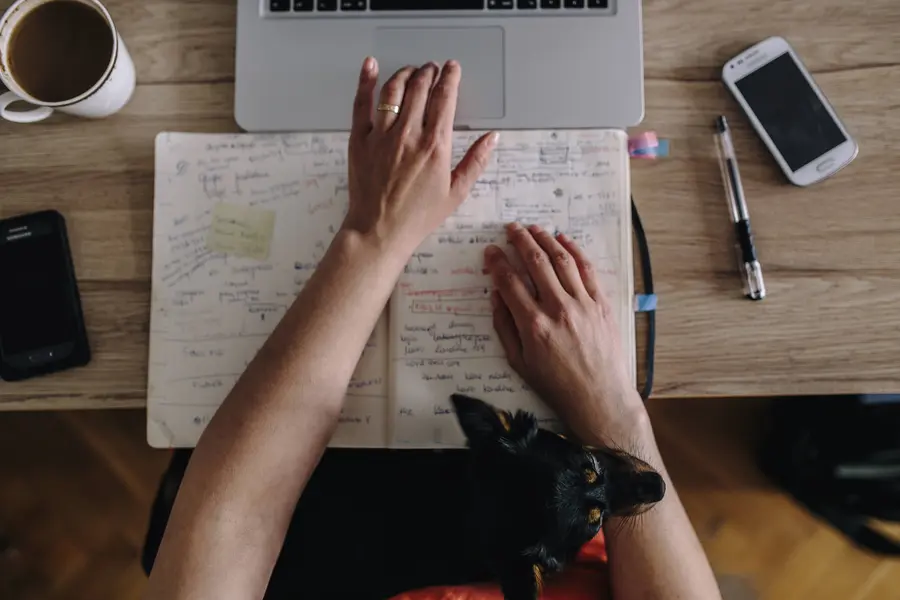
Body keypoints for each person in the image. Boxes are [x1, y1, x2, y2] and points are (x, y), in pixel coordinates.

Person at [143, 58, 722, 600]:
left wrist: (372, 236)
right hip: (541, 519)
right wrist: (611, 409)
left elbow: (233, 526)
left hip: (315, 529)